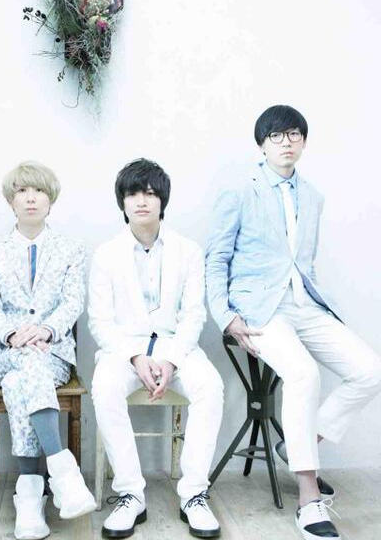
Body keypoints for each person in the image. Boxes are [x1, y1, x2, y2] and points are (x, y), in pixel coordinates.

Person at [205, 105, 381, 540]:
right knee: (303, 374)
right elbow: (216, 259)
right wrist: (227, 316)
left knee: (370, 371)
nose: (286, 142)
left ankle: (299, 444)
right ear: (261, 144)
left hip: (305, 305)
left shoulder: (314, 196)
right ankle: (308, 497)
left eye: (294, 135)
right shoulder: (239, 191)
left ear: (303, 142)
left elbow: (303, 261)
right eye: (277, 136)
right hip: (259, 310)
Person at [89, 158, 224, 539]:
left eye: (150, 193)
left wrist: (171, 359)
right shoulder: (106, 254)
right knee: (104, 387)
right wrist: (135, 357)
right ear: (123, 201)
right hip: (124, 350)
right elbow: (99, 321)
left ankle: (193, 493)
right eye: (133, 194)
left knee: (211, 387)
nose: (142, 201)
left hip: (176, 346)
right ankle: (131, 494)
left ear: (162, 200)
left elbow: (194, 315)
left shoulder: (188, 250)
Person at [0, 161, 95, 540]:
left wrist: (45, 330)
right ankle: (63, 472)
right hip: (3, 350)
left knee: (20, 380)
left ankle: (29, 493)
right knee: (27, 363)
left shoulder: (71, 249)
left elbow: (72, 302)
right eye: (22, 191)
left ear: (50, 199)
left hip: (52, 350)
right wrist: (13, 334)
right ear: (10, 201)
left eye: (39, 190)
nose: (30, 198)